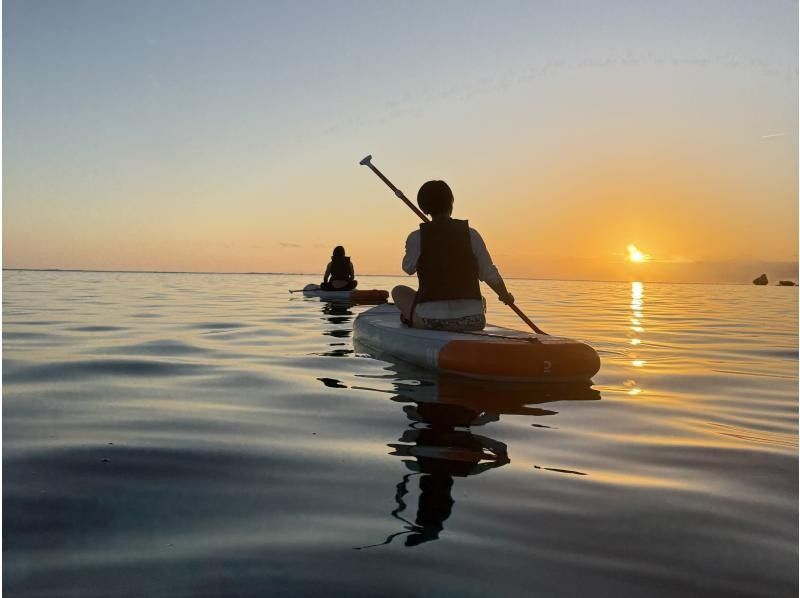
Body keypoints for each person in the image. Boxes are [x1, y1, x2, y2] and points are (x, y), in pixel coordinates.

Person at [391, 180, 514, 331]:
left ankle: (410, 317)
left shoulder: (416, 238)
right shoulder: (471, 234)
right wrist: (505, 295)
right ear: (451, 204)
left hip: (432, 321)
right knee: (480, 300)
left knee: (398, 291)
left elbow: (408, 268)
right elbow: (489, 273)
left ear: (424, 209)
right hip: (474, 320)